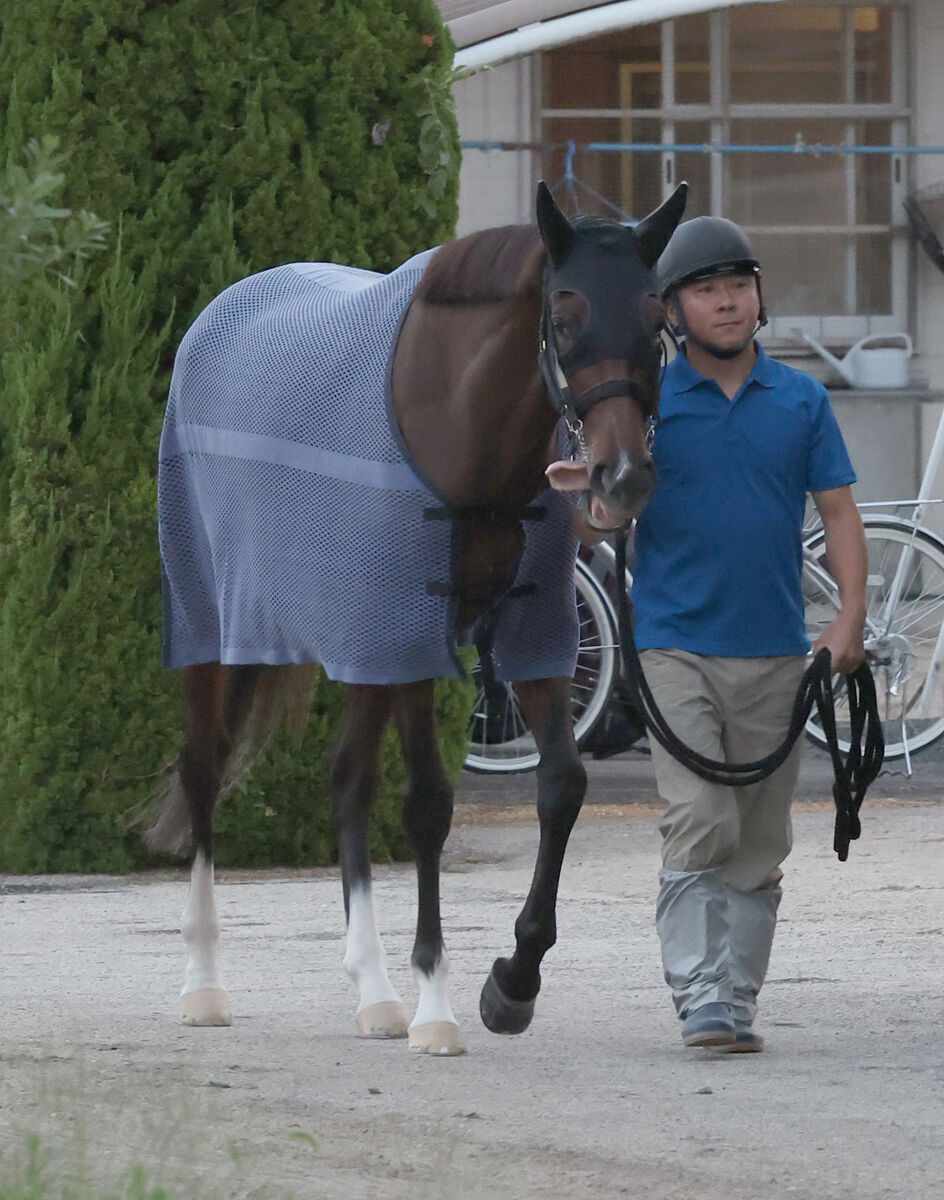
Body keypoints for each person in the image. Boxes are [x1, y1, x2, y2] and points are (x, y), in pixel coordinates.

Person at [630, 216, 868, 1052]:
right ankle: (698, 992)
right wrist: (586, 501)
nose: (727, 301)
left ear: (758, 295)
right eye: (706, 288)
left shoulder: (801, 399)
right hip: (673, 645)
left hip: (776, 647)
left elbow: (838, 513)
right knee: (701, 820)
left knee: (762, 838)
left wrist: (848, 617)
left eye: (738, 284)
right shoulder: (647, 401)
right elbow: (599, 518)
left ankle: (735, 997)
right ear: (672, 310)